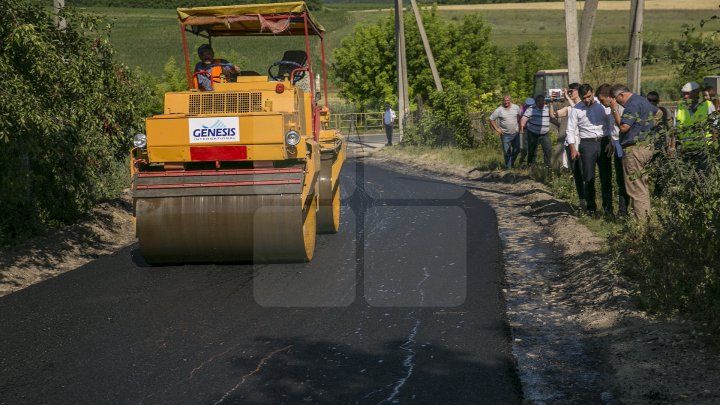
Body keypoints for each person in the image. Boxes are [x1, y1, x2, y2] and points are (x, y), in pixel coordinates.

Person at [610, 84, 658, 220]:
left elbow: (624, 127)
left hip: (635, 149)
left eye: (616, 100)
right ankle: (646, 218)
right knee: (642, 185)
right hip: (647, 146)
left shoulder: (632, 104)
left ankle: (641, 223)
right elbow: (659, 113)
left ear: (621, 95)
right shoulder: (643, 100)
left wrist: (614, 111)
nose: (618, 103)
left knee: (635, 188)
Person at [566, 84, 613, 215]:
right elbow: (570, 130)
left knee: (606, 176)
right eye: (583, 97)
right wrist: (573, 148)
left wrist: (610, 141)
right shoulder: (576, 109)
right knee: (588, 176)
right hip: (587, 144)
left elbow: (609, 123)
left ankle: (608, 209)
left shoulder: (602, 105)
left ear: (592, 93)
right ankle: (591, 208)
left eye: (589, 96)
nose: (587, 100)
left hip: (603, 142)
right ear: (579, 97)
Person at [597, 83, 629, 215]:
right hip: (616, 144)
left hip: (623, 144)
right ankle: (619, 210)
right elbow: (613, 130)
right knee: (619, 178)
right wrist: (611, 141)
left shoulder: (619, 107)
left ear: (609, 97)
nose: (601, 103)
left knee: (623, 179)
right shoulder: (610, 108)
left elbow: (622, 126)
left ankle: (623, 211)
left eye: (601, 100)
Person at [552, 83, 585, 207]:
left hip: (582, 141)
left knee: (584, 171)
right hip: (571, 142)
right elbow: (553, 115)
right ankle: (582, 199)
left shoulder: (584, 106)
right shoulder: (569, 107)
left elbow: (578, 110)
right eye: (569, 91)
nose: (570, 93)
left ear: (578, 91)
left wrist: (568, 98)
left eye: (571, 91)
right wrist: (550, 103)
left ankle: (588, 198)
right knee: (576, 172)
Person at [675, 81, 716, 150]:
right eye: (684, 93)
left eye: (688, 93)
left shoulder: (708, 105)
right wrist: (673, 147)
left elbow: (714, 128)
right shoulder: (679, 107)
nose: (685, 96)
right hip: (685, 149)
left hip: (704, 149)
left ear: (697, 93)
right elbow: (674, 130)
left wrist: (714, 148)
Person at [489, 95, 522, 169]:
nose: (506, 102)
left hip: (515, 133)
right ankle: (509, 169)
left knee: (517, 149)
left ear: (510, 100)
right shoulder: (499, 110)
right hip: (505, 134)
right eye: (505, 101)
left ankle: (511, 162)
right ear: (503, 101)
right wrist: (497, 129)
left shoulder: (516, 107)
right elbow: (491, 119)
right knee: (507, 152)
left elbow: (521, 116)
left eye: (508, 100)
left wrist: (520, 126)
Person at [521, 94, 553, 166]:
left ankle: (547, 166)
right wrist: (522, 126)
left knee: (548, 149)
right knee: (532, 150)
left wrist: (558, 124)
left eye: (543, 101)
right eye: (541, 102)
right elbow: (524, 118)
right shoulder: (531, 109)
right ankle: (530, 165)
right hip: (533, 133)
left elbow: (552, 118)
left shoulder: (547, 108)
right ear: (537, 102)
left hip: (545, 134)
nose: (543, 103)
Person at [517, 97, 535, 166]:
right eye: (528, 105)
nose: (529, 106)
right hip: (524, 130)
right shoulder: (522, 109)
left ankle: (530, 163)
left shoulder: (534, 109)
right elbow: (519, 119)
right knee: (523, 148)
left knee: (531, 147)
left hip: (532, 130)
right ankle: (522, 158)